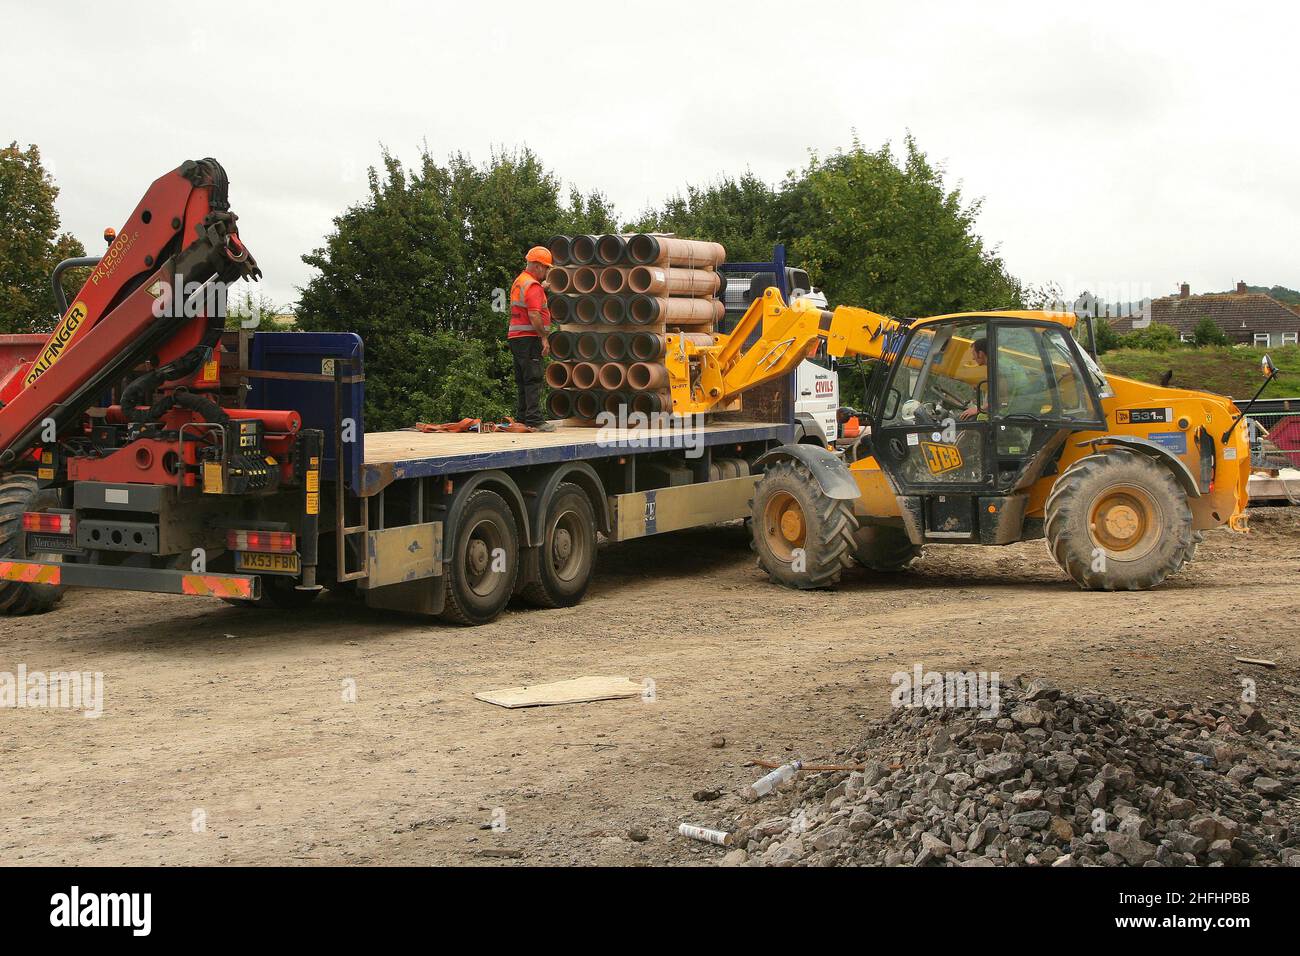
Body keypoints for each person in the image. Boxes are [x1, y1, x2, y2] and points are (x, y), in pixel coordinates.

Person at [508, 246, 556, 431]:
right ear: (537, 266)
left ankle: (523, 417)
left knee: (522, 379)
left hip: (516, 337)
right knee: (533, 378)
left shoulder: (521, 281)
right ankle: (534, 419)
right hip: (529, 338)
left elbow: (528, 299)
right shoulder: (533, 286)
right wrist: (543, 337)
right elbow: (535, 315)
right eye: (545, 268)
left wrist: (541, 289)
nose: (546, 272)